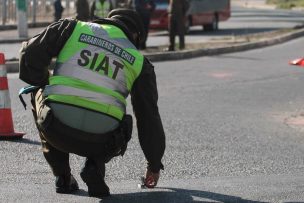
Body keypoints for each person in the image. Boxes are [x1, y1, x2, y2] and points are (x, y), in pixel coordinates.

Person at [19, 8, 165, 198]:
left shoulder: (73, 28)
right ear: (135, 36)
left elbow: (29, 53)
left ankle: (62, 177)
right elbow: (149, 117)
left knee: (38, 90)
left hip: (55, 128)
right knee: (119, 117)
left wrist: (43, 82)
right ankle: (94, 166)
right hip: (102, 142)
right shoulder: (139, 62)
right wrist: (154, 165)